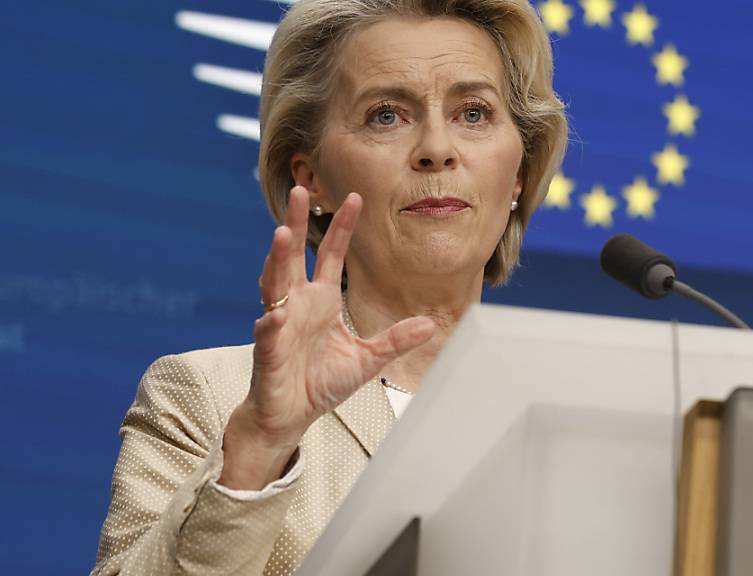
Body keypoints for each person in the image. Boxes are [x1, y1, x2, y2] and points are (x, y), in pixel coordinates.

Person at [90, 0, 567, 574]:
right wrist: (261, 444)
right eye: (387, 115)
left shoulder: (584, 413)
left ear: (518, 172)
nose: (438, 148)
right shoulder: (207, 399)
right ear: (311, 178)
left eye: (473, 113)